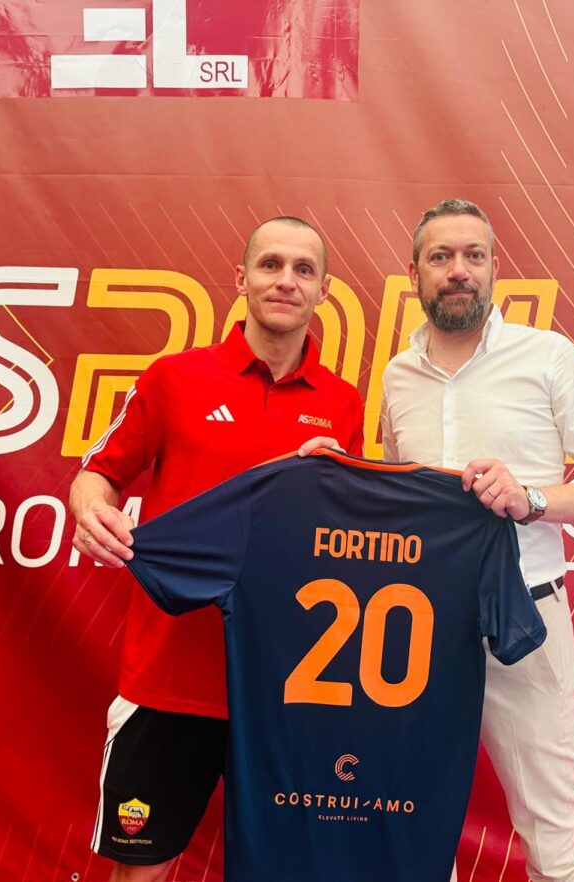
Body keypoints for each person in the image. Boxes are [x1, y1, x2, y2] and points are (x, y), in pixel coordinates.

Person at [70, 216, 365, 882]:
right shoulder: (174, 377)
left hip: (291, 687)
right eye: (270, 265)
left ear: (324, 290)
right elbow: (98, 473)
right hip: (171, 678)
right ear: (241, 279)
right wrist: (92, 511)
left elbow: (346, 538)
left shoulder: (343, 404)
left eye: (303, 270)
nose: (285, 281)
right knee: (142, 871)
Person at [379, 199, 574, 882]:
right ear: (415, 272)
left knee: (549, 828)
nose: (458, 271)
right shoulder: (397, 375)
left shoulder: (547, 356)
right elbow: (390, 497)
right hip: (415, 622)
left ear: (495, 266)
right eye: (440, 257)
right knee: (408, 818)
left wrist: (530, 500)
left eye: (473, 255)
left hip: (524, 614)